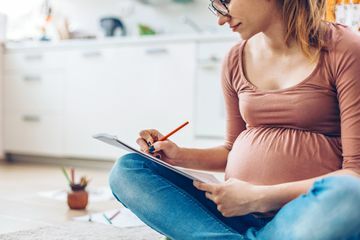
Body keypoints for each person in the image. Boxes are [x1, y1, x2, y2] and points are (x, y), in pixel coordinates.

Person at [109, 0, 360, 239]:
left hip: (305, 214)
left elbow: (355, 173)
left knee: (350, 194)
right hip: (234, 212)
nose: (220, 18)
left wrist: (260, 196)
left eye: (225, 1)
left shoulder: (344, 49)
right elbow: (231, 150)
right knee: (128, 169)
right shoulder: (235, 59)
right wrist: (178, 155)